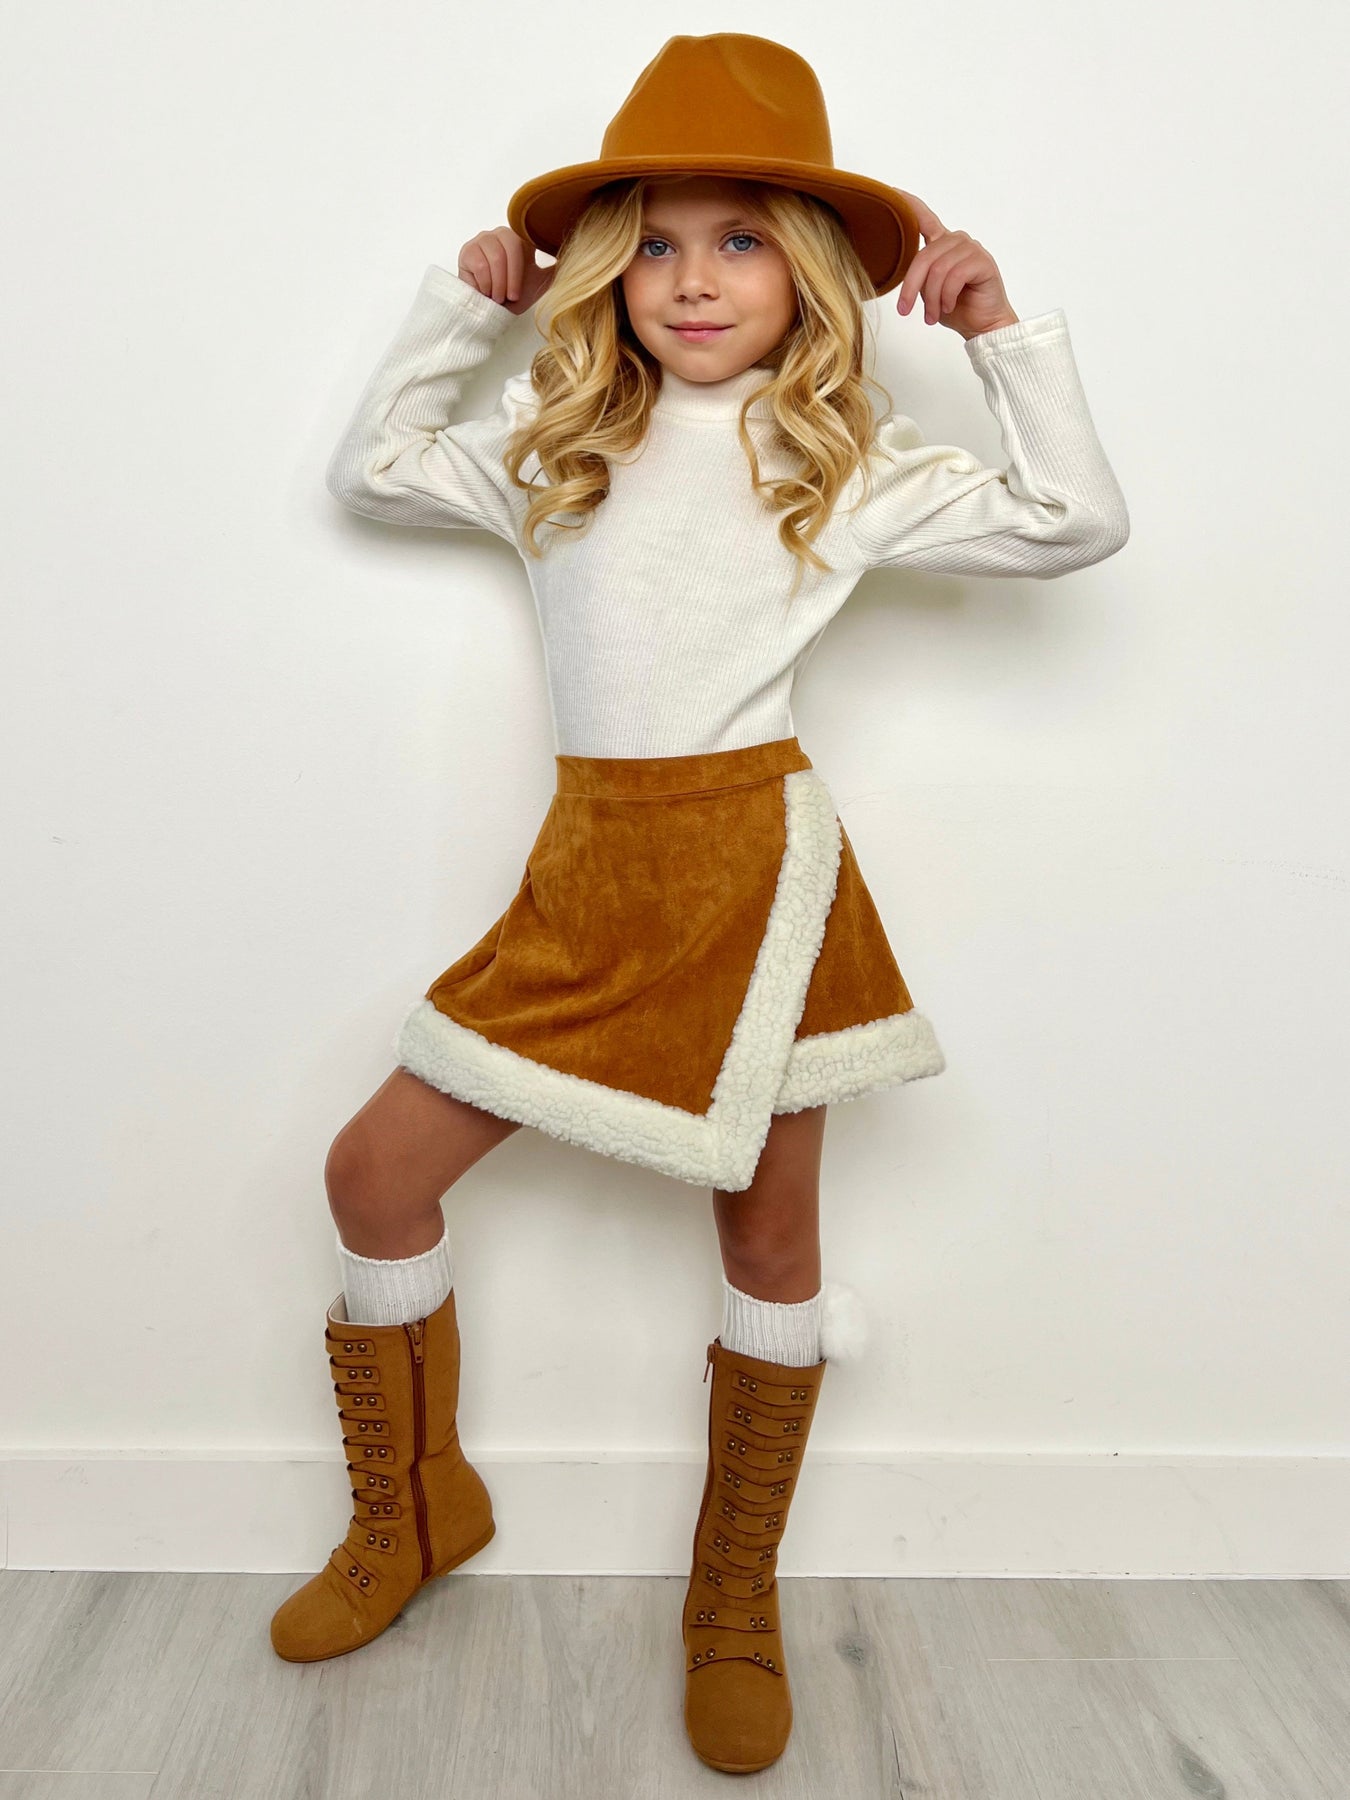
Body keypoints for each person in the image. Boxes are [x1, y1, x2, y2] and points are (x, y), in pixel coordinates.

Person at [269, 31, 1129, 1776]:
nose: (692, 279)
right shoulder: (559, 449)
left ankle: (731, 1595)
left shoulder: (835, 459)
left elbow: (1072, 520)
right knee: (373, 1174)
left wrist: (1001, 336)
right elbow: (372, 471)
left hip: (759, 875)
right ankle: (415, 1512)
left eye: (739, 240)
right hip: (589, 873)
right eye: (655, 242)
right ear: (607, 268)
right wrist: (462, 311)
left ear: (806, 270)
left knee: (766, 1248)